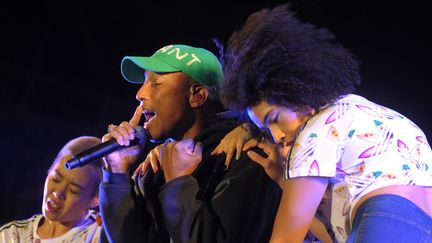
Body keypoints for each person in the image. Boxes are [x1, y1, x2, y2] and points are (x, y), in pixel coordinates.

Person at [219, 4, 432, 243]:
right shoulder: (374, 114)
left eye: (274, 120)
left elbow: (285, 238)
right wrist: (283, 180)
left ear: (292, 95)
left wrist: (291, 179)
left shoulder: (316, 130)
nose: (276, 135)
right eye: (267, 130)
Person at [98, 44, 281, 243]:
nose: (139, 93)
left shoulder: (244, 156)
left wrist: (179, 186)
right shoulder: (155, 167)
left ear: (197, 96)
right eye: (144, 82)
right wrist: (116, 175)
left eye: (156, 83)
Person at [0, 136, 103, 243]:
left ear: (96, 198)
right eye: (56, 179)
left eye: (74, 190)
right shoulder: (12, 235)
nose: (58, 193)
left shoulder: (101, 235)